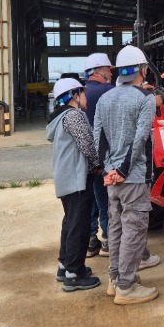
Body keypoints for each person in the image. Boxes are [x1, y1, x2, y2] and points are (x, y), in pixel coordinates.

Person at [94, 45, 159, 305]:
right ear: (141, 70)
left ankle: (115, 279)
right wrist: (122, 170)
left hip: (112, 178)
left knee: (117, 227)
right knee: (134, 229)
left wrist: (108, 170)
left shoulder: (105, 98)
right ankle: (127, 286)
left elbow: (99, 138)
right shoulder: (145, 99)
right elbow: (140, 138)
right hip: (133, 176)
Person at [46, 78, 102, 292]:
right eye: (83, 93)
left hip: (66, 178)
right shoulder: (74, 116)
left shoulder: (60, 117)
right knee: (79, 226)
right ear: (75, 96)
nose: (86, 97)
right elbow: (87, 144)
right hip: (77, 179)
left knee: (70, 223)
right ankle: (74, 274)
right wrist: (98, 164)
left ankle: (65, 266)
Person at [82, 52, 114, 258]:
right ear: (100, 70)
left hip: (86, 155)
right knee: (105, 198)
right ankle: (109, 240)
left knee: (91, 198)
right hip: (102, 153)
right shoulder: (107, 91)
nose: (110, 73)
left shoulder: (82, 92)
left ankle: (91, 240)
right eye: (109, 69)